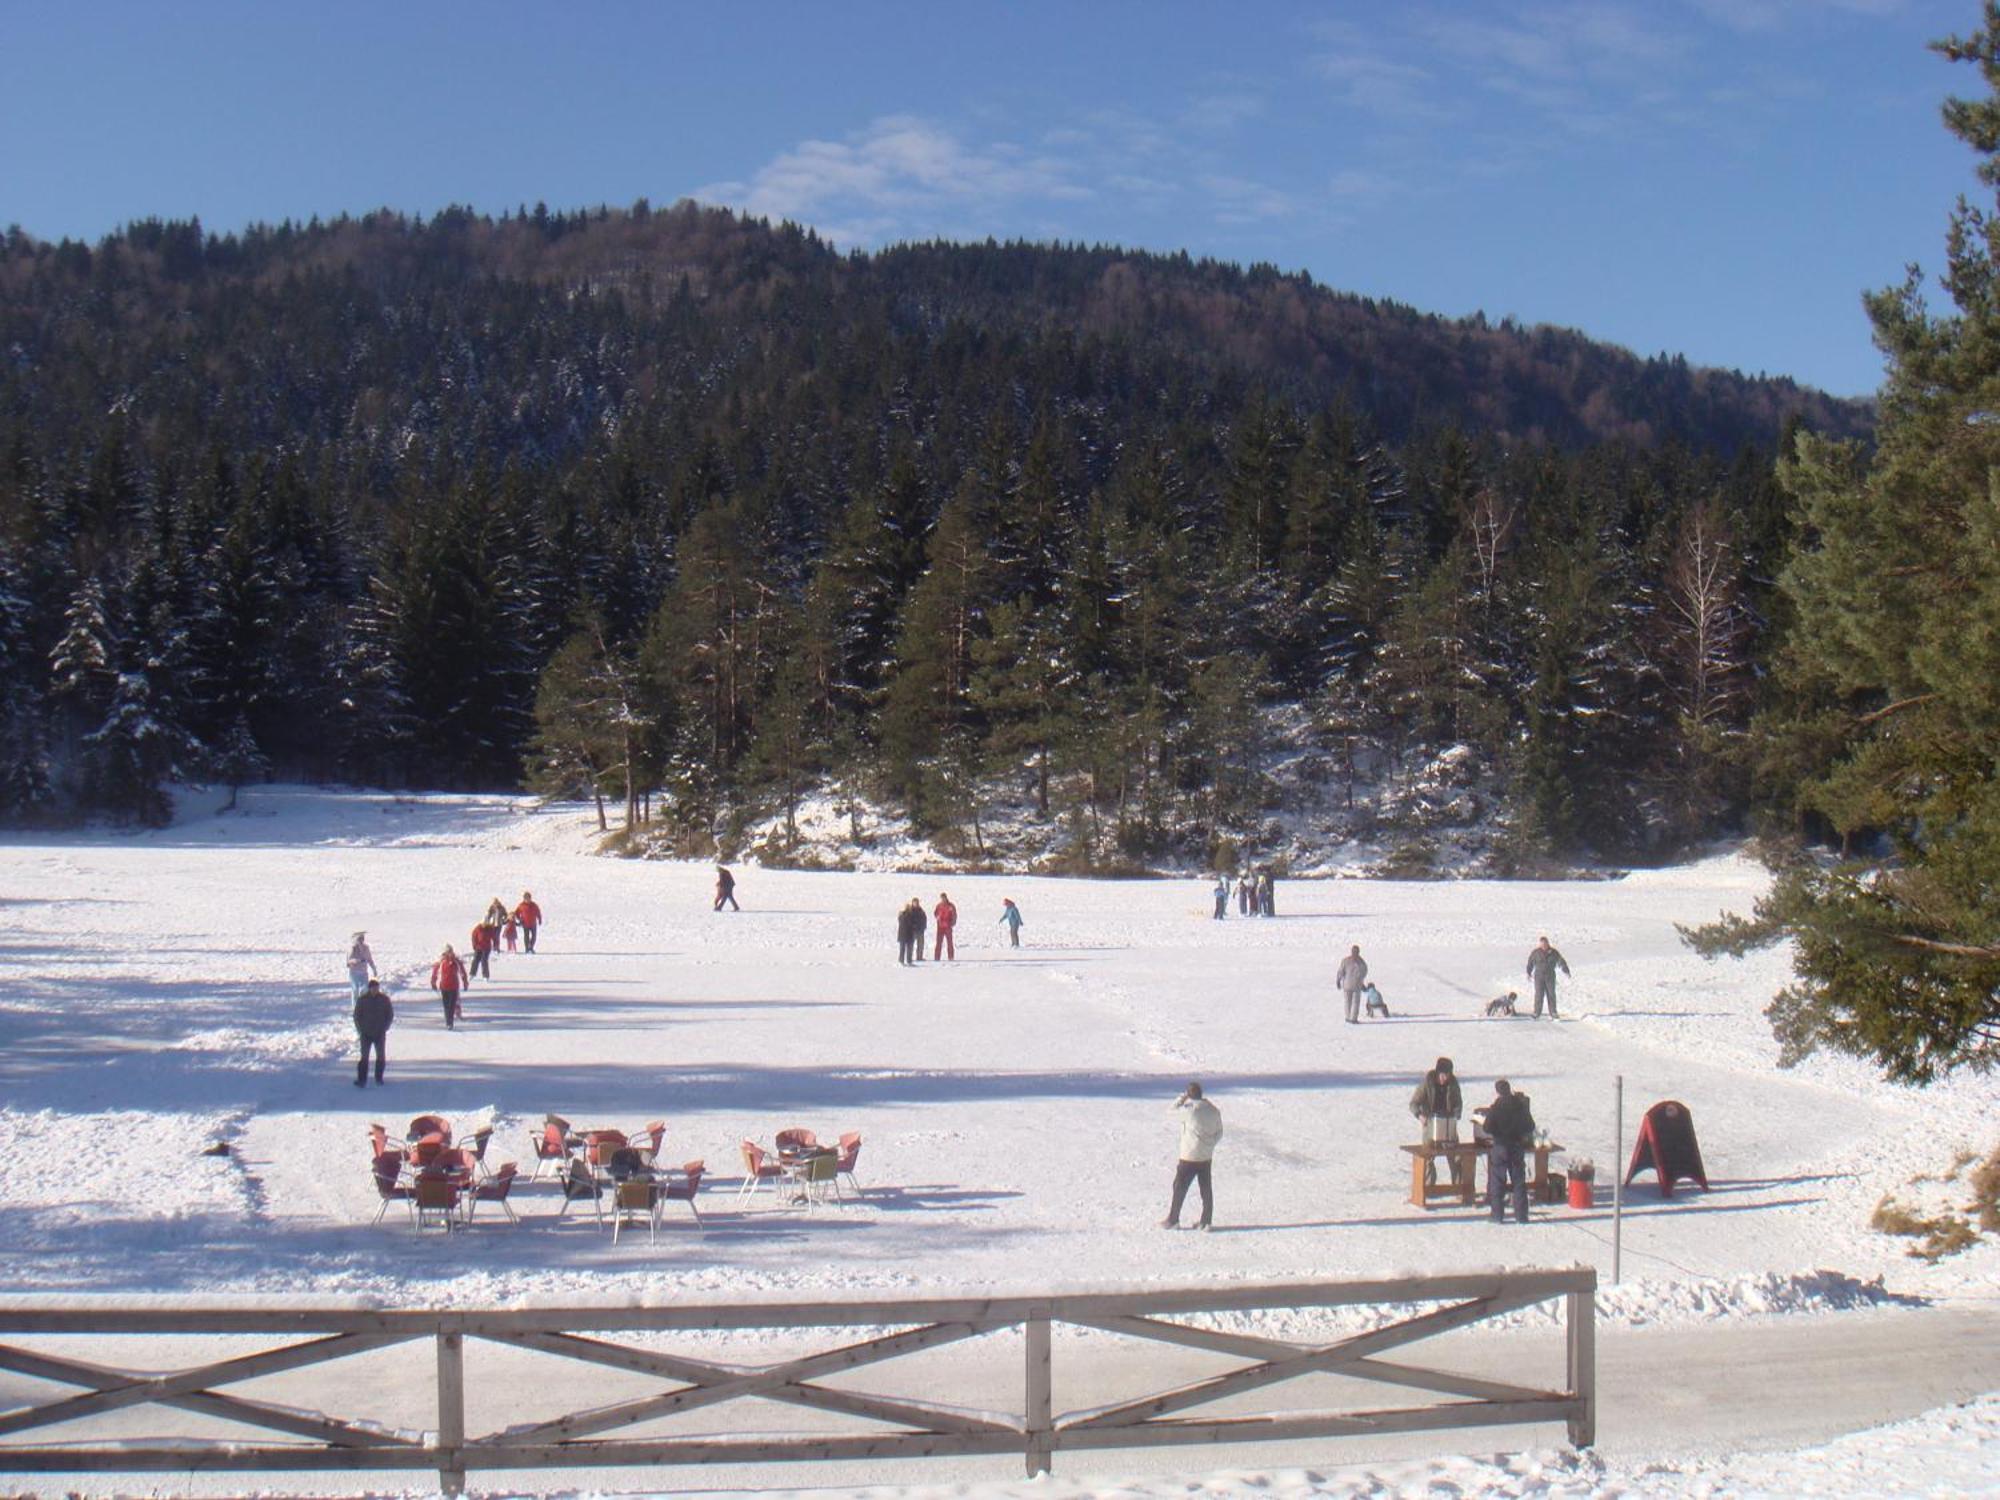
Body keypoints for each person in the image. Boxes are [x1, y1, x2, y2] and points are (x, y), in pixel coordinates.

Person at [1161, 1081, 1223, 1230]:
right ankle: (1206, 1221)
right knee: (1206, 1189)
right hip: (1205, 1156)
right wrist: (1209, 1145)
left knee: (1179, 1187)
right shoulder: (1213, 1110)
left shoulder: (1189, 1111)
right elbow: (1219, 1132)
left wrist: (1181, 1099)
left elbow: (1170, 1112)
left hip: (1189, 1156)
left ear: (1189, 1095)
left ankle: (1173, 1219)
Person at [1482, 1079, 1537, 1223]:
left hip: (1500, 1147)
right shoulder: (1520, 1105)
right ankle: (1521, 1216)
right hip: (1517, 1146)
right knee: (1519, 1182)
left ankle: (1497, 1215)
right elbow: (1530, 1126)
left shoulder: (1496, 1107)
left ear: (1498, 1091)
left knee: (1497, 1182)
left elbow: (1486, 1128)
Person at [1409, 1056, 1464, 1187]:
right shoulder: (1426, 1084)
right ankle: (1428, 1187)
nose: (1445, 1078)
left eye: (1448, 1075)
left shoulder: (1453, 1084)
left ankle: (1459, 1187)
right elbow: (1413, 1103)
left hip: (1448, 1125)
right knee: (1428, 1157)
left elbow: (1458, 1102)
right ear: (1438, 1073)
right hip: (1430, 1125)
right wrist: (1420, 1115)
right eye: (1443, 1074)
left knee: (1456, 1156)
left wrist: (1456, 1114)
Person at [352, 978, 393, 1087]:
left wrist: (385, 1026)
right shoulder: (362, 1000)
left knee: (380, 1056)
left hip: (379, 1032)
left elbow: (389, 1014)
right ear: (369, 988)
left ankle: (379, 1078)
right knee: (364, 1057)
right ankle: (362, 1080)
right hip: (366, 1033)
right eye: (373, 988)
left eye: (376, 988)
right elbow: (356, 1016)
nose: (375, 990)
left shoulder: (384, 999)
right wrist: (360, 1029)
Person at [1526, 935, 1571, 1019]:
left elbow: (1561, 961)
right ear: (1540, 944)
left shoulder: (1554, 952)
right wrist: (1528, 973)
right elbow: (1530, 962)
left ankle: (1553, 1012)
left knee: (1551, 994)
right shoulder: (1536, 953)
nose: (1543, 946)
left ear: (1548, 943)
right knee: (1539, 995)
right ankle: (1536, 1013)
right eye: (1542, 944)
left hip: (1550, 976)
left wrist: (1566, 971)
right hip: (1539, 976)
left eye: (1545, 944)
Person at [431, 944, 468, 1028]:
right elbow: (435, 973)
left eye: (450, 951)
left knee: (452, 1005)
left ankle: (450, 1023)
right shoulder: (441, 962)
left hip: (454, 987)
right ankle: (448, 1019)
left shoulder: (456, 962)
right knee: (446, 1005)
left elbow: (463, 973)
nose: (449, 953)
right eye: (447, 952)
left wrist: (465, 982)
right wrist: (433, 982)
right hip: (444, 987)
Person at [1336, 945, 1368, 1024]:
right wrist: (1338, 980)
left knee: (1352, 1002)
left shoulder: (1347, 961)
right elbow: (1364, 972)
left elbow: (1341, 972)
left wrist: (1338, 980)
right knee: (1351, 1002)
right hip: (1352, 985)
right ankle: (1351, 1018)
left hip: (1352, 985)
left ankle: (1350, 1018)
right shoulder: (1360, 962)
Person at [345, 932, 376, 1002]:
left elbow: (369, 959)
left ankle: (362, 1005)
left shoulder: (366, 948)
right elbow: (349, 961)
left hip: (364, 972)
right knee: (355, 989)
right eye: (360, 939)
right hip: (354, 972)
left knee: (365, 989)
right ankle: (355, 1008)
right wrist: (357, 960)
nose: (362, 940)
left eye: (363, 938)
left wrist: (374, 969)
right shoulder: (352, 948)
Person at [933, 892, 958, 961]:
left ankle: (951, 957)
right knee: (938, 943)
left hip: (948, 927)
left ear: (946, 897)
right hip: (940, 927)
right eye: (941, 898)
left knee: (949, 943)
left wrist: (952, 923)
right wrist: (937, 917)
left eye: (944, 898)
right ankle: (937, 957)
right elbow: (935, 913)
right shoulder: (939, 905)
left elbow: (954, 915)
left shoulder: (951, 906)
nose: (943, 899)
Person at [896, 899, 922, 966]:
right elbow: (911, 924)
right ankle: (907, 961)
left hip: (903, 935)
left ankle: (902, 961)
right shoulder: (909, 915)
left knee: (904, 949)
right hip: (908, 934)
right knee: (908, 949)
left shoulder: (902, 915)